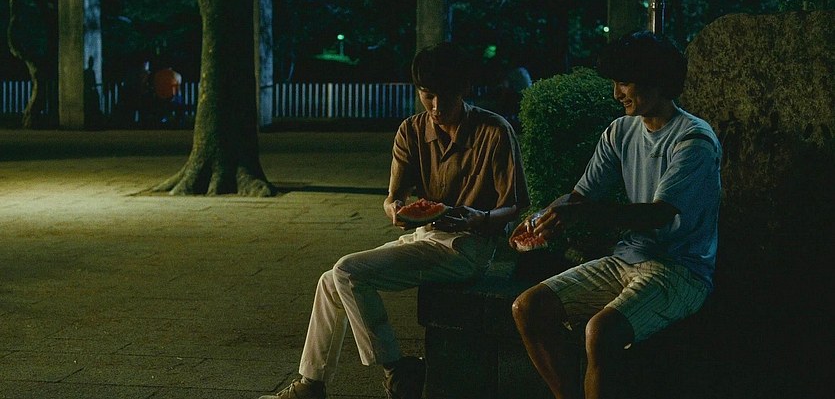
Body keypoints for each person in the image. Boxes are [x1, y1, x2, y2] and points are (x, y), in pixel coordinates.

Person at [259, 42, 530, 399]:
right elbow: (393, 197)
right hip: (424, 237)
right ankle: (312, 383)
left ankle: (395, 369)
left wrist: (479, 218)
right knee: (329, 282)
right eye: (427, 95)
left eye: (445, 96)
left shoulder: (494, 131)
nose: (435, 107)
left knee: (347, 271)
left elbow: (515, 205)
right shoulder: (411, 131)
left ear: (464, 88)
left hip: (468, 249)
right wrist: (395, 209)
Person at [510, 31, 722, 399]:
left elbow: (658, 215)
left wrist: (580, 214)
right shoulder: (621, 131)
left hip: (681, 270)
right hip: (626, 258)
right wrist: (544, 216)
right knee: (528, 307)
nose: (615, 94)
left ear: (656, 80)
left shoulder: (694, 140)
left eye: (624, 83)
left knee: (600, 332)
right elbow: (581, 195)